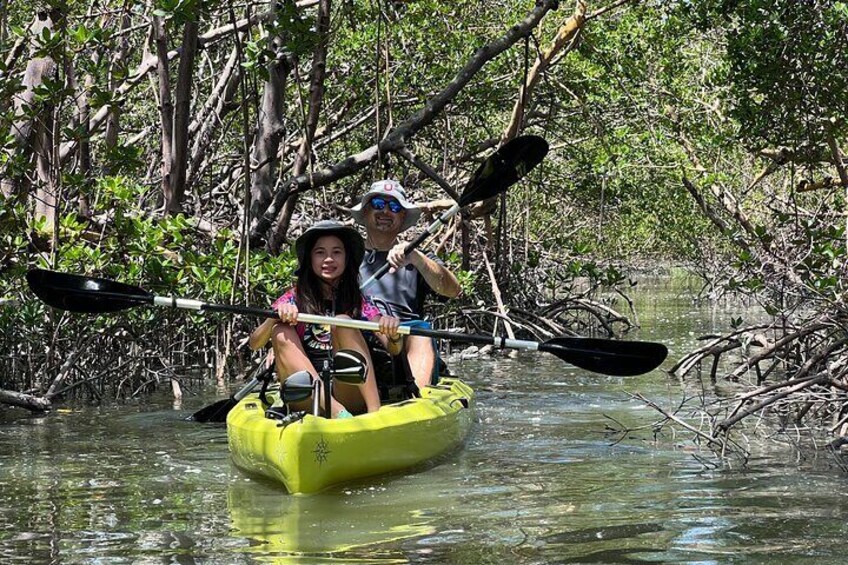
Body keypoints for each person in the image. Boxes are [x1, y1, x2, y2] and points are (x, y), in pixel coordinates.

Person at [249, 220, 401, 418]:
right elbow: (254, 343)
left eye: (337, 252)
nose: (329, 259)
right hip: (308, 396)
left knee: (342, 322)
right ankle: (339, 414)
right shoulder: (292, 298)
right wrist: (274, 318)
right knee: (280, 331)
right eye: (320, 252)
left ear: (347, 259)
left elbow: (393, 348)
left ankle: (375, 413)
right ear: (310, 259)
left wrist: (394, 334)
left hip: (347, 390)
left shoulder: (359, 301)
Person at [350, 179, 461, 392]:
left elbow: (453, 290)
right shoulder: (344, 256)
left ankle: (417, 398)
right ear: (365, 212)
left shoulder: (418, 257)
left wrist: (417, 258)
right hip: (359, 333)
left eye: (394, 207)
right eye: (378, 204)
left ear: (402, 218)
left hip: (405, 337)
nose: (385, 211)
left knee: (421, 333)